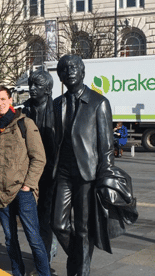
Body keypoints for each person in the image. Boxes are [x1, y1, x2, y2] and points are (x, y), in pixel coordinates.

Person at [51, 54, 116, 276]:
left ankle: (81, 271)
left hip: (87, 174)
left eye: (74, 67)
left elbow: (107, 147)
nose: (70, 71)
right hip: (63, 173)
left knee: (83, 227)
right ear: (60, 75)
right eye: (65, 68)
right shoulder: (57, 104)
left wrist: (105, 177)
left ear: (82, 72)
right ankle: (79, 258)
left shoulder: (99, 103)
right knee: (58, 225)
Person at [0, 85, 50, 276]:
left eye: (3, 99)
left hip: (23, 193)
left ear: (10, 100)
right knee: (9, 239)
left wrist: (27, 186)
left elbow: (39, 157)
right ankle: (17, 272)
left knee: (33, 238)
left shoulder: (25, 123)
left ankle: (43, 273)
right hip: (1, 192)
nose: (0, 103)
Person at [21, 68, 57, 263]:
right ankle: (42, 249)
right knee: (31, 215)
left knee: (46, 214)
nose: (32, 89)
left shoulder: (57, 110)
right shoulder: (24, 110)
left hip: (51, 171)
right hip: (29, 170)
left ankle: (44, 257)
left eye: (38, 86)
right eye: (31, 85)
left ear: (48, 89)